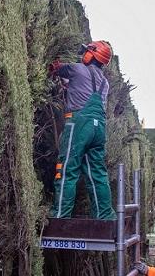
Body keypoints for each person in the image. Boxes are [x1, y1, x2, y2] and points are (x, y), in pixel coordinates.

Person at [48, 40, 115, 220]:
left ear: (91, 54)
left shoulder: (76, 69)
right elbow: (82, 88)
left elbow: (57, 68)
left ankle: (60, 216)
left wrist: (53, 66)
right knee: (97, 173)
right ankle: (105, 217)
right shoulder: (105, 83)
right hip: (99, 128)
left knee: (67, 168)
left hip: (79, 124)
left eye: (86, 51)